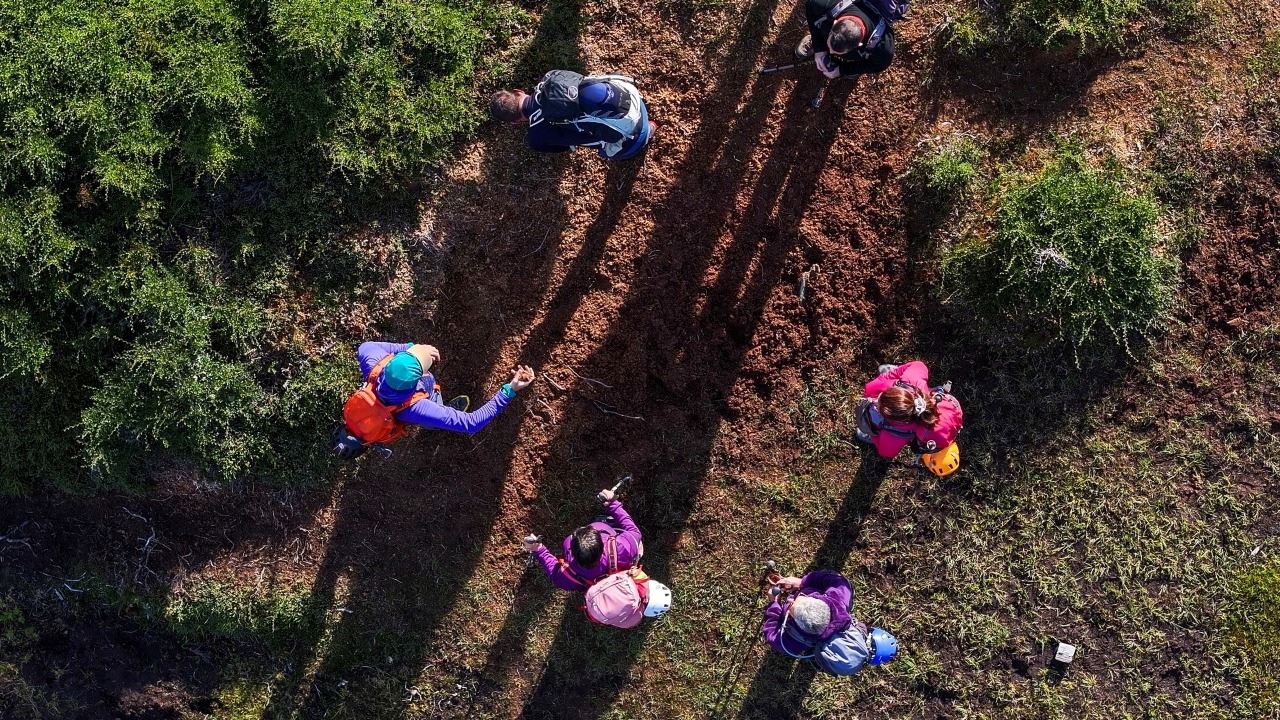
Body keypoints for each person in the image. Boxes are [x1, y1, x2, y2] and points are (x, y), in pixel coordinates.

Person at [332, 341, 535, 458]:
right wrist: (510, 389)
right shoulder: (415, 408)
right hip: (416, 410)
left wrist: (412, 348)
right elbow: (471, 423)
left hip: (373, 410)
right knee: (434, 414)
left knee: (432, 416)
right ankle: (439, 415)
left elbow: (370, 346)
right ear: (415, 381)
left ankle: (437, 419)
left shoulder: (370, 356)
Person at [490, 70, 656, 160]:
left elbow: (561, 147)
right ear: (519, 91)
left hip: (633, 133)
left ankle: (647, 131)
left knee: (605, 152)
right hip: (632, 95)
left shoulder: (536, 138)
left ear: (515, 122)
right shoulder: (550, 76)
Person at [762, 569, 898, 671]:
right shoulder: (839, 596)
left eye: (791, 604)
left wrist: (774, 603)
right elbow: (840, 581)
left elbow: (771, 633)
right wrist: (801, 582)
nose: (791, 598)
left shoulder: (792, 642)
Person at [523, 486, 644, 591]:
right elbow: (634, 531)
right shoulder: (622, 547)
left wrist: (538, 549)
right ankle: (605, 522)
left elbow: (554, 573)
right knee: (634, 543)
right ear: (602, 544)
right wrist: (613, 504)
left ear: (571, 554)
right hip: (620, 566)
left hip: (591, 582)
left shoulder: (567, 578)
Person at [857, 361, 963, 459]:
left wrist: (873, 434)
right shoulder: (913, 380)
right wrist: (894, 374)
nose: (874, 401)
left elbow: (885, 452)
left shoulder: (895, 435)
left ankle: (869, 435)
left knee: (871, 426)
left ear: (896, 421)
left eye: (879, 410)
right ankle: (894, 372)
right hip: (944, 411)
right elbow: (919, 365)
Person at [795, 0, 897, 79]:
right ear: (835, 23)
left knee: (856, 57)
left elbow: (880, 65)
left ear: (860, 44)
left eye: (834, 51)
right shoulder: (824, 3)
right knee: (822, 23)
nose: (829, 52)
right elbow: (810, 7)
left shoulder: (883, 48)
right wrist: (819, 48)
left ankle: (851, 67)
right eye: (830, 47)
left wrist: (843, 70)